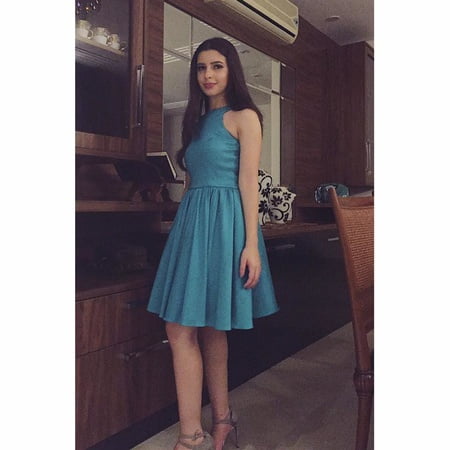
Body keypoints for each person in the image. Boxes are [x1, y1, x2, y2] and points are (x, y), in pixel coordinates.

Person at [147, 37, 279, 450]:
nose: (208, 75)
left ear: (231, 70)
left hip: (226, 224)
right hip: (193, 223)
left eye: (217, 66)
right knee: (204, 328)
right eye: (201, 67)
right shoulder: (194, 121)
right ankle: (222, 420)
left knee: (190, 326)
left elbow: (248, 182)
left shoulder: (245, 117)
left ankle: (191, 436)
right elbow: (191, 183)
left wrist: (251, 245)